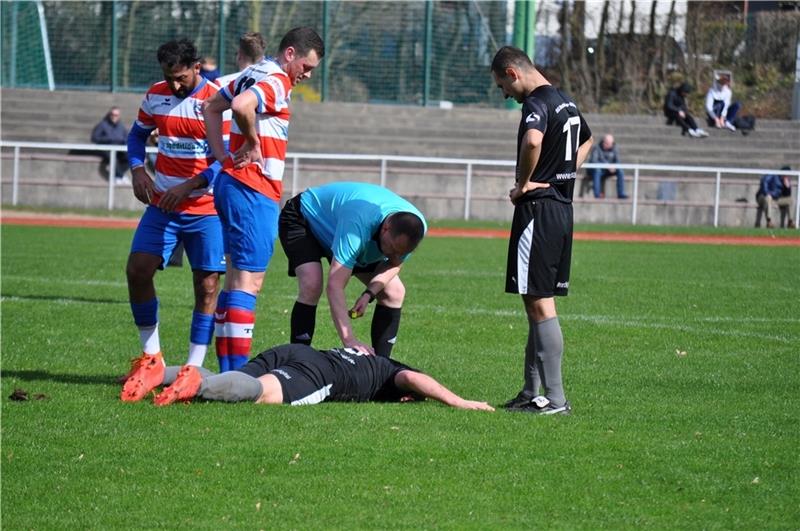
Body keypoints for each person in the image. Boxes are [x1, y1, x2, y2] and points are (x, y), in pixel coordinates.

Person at [203, 27, 324, 372]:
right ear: (290, 54)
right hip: (252, 189)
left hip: (234, 183)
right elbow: (241, 106)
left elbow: (212, 107)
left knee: (235, 280)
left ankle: (229, 371)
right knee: (249, 282)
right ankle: (236, 374)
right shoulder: (276, 80)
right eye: (307, 66)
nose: (307, 75)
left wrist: (221, 158)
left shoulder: (252, 72)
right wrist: (252, 143)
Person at [120, 39, 228, 402]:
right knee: (137, 269)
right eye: (169, 78)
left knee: (207, 285)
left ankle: (192, 368)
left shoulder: (217, 100)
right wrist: (138, 170)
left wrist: (191, 185)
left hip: (207, 207)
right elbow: (136, 135)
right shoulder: (155, 95)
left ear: (197, 67)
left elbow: (225, 159)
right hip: (164, 204)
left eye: (181, 77)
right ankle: (152, 358)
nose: (175, 86)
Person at [490, 45, 593, 415]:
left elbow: (533, 140)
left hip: (539, 209)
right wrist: (564, 172)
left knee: (539, 302)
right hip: (562, 208)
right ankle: (531, 392)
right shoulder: (564, 100)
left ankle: (555, 399)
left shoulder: (535, 103)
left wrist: (525, 182)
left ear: (513, 73)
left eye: (502, 85)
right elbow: (587, 141)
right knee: (534, 301)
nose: (504, 93)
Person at [279, 182, 427, 358]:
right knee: (312, 283)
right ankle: (297, 361)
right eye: (393, 248)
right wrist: (350, 340)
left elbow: (394, 263)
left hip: (345, 230)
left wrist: (369, 293)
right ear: (386, 228)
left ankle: (381, 367)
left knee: (394, 292)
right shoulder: (359, 223)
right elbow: (335, 285)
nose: (394, 255)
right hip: (304, 219)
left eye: (401, 253)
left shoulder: (415, 229)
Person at [150, 343, 494, 412]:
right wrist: (458, 401)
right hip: (320, 372)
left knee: (234, 378)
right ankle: (197, 385)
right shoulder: (390, 372)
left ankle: (157, 372)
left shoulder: (371, 359)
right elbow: (414, 380)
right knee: (258, 393)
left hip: (298, 351)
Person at [91, 106, 129, 182]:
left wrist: (122, 140)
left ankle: (118, 175)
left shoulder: (121, 126)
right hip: (106, 148)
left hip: (119, 147)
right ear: (109, 114)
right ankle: (120, 176)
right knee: (112, 157)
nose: (114, 116)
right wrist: (109, 139)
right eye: (112, 114)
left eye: (116, 115)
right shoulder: (102, 125)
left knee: (130, 157)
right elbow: (94, 138)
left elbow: (126, 138)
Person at [587, 134, 627, 199]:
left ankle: (621, 193)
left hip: (609, 170)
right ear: (604, 142)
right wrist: (606, 165)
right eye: (608, 143)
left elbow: (617, 160)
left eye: (611, 143)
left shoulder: (614, 147)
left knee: (620, 171)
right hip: (598, 170)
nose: (610, 145)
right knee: (597, 170)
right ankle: (597, 195)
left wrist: (614, 166)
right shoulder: (596, 148)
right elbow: (593, 161)